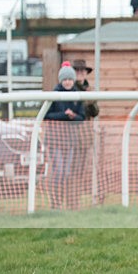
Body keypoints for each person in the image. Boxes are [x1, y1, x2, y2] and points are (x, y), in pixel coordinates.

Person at [45, 62, 85, 209]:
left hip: (70, 141)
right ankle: (55, 203)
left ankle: (66, 202)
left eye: (70, 79)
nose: (68, 82)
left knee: (67, 173)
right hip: (55, 140)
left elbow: (82, 117)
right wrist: (63, 115)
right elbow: (46, 115)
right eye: (65, 79)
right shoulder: (54, 94)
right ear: (61, 80)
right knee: (59, 172)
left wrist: (73, 116)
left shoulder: (77, 96)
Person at [70, 59, 100, 206]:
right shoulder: (70, 89)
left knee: (80, 171)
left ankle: (76, 201)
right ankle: (71, 200)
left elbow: (95, 112)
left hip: (84, 135)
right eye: (77, 71)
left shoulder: (89, 90)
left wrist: (90, 100)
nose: (80, 74)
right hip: (70, 135)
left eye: (82, 71)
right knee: (71, 171)